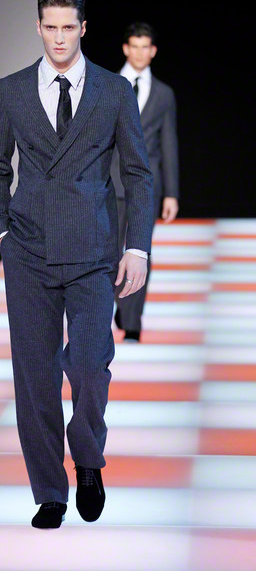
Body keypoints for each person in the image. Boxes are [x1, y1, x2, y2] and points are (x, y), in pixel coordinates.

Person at [0, 0, 153, 529]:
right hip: (28, 250)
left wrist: (137, 246)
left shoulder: (113, 91)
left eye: (68, 27)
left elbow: (137, 173)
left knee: (88, 366)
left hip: (92, 250)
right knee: (34, 377)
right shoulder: (11, 91)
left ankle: (88, 460)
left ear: (83, 28)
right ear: (38, 28)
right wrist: (2, 233)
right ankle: (50, 492)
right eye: (50, 27)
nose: (59, 38)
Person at [110, 22, 180, 342]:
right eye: (134, 46)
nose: (139, 53)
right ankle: (114, 305)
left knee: (139, 252)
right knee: (109, 253)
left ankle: (131, 320)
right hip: (110, 183)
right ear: (126, 48)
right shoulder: (107, 86)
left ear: (153, 51)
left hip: (147, 188)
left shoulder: (164, 93)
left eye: (145, 47)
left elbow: (169, 144)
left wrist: (171, 193)